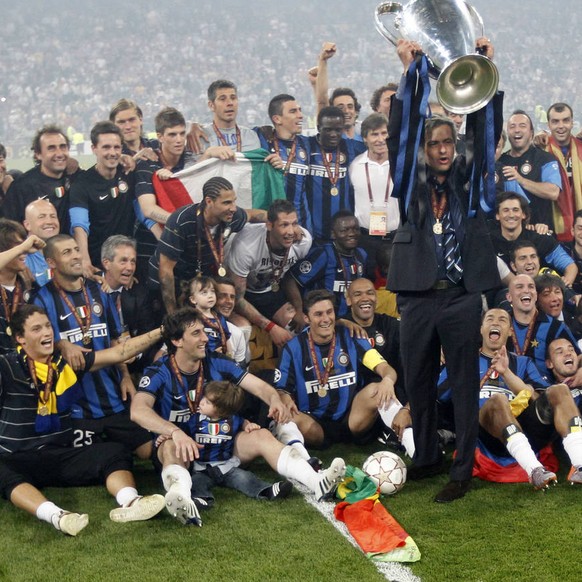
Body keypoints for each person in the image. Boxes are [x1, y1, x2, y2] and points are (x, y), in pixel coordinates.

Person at [386, 38, 502, 502]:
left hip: (458, 296)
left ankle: (461, 471)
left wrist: (485, 70)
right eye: (433, 143)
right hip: (416, 296)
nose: (440, 149)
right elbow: (403, 133)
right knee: (416, 379)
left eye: (446, 142)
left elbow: (484, 133)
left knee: (462, 379)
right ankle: (428, 456)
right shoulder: (409, 188)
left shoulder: (470, 185)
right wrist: (410, 75)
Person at [130, 308, 346, 525]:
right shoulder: (159, 371)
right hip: (184, 450)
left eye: (204, 331)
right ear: (177, 341)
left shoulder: (217, 362)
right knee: (169, 446)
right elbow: (137, 410)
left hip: (222, 444)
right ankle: (183, 499)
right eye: (196, 333)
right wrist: (174, 432)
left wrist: (274, 400)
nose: (205, 338)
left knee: (261, 435)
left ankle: (317, 482)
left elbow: (261, 387)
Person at [0, 304, 166, 536]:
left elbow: (120, 353)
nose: (46, 333)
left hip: (60, 453)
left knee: (115, 451)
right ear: (20, 338)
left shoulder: (64, 362)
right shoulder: (6, 366)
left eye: (48, 326)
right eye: (36, 329)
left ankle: (131, 502)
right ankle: (57, 516)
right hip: (18, 456)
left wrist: (162, 330)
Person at [33, 235, 152, 459]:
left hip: (113, 399)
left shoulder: (100, 291)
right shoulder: (41, 299)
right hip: (75, 408)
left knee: (148, 451)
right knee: (99, 460)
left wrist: (125, 376)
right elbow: (36, 348)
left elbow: (116, 339)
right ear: (51, 262)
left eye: (77, 249)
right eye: (67, 252)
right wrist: (60, 344)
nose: (76, 255)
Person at [441, 308, 582, 487]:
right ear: (481, 329)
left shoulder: (523, 363)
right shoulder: (463, 362)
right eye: (490, 319)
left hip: (526, 429)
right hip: (488, 436)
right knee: (499, 400)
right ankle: (534, 470)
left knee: (560, 390)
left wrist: (506, 373)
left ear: (509, 331)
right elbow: (436, 396)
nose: (495, 323)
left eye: (502, 320)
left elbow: (540, 398)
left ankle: (580, 465)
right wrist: (407, 410)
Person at [273, 290, 398, 448]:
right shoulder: (292, 348)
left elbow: (386, 369)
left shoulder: (351, 336)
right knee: (286, 415)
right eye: (318, 314)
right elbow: (280, 390)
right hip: (314, 424)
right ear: (306, 318)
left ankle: (408, 440)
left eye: (329, 312)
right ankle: (302, 460)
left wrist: (387, 380)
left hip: (352, 419)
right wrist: (284, 398)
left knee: (377, 389)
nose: (325, 319)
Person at [148, 177, 262, 313]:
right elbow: (166, 271)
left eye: (234, 201)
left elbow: (253, 215)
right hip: (167, 283)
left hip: (197, 281)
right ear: (209, 201)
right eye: (227, 203)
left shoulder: (231, 216)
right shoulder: (181, 221)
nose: (233, 208)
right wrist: (173, 314)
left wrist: (276, 220)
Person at [186, 380, 293, 509]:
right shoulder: (194, 420)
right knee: (195, 483)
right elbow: (181, 433)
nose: (201, 402)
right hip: (201, 468)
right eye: (204, 398)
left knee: (245, 478)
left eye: (207, 402)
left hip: (225, 466)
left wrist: (249, 426)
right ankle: (202, 499)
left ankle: (267, 490)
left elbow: (243, 422)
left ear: (221, 409)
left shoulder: (232, 420)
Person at [225, 199, 312, 348]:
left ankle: (291, 370)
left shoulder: (303, 242)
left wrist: (298, 309)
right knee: (242, 330)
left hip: (269, 290)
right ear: (270, 225)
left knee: (301, 329)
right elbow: (237, 299)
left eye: (294, 224)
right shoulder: (246, 246)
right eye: (284, 225)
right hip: (239, 294)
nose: (291, 232)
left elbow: (289, 277)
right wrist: (270, 327)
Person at [344, 278, 414, 457]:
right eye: (357, 294)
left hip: (391, 391)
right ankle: (409, 439)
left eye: (370, 293)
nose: (365, 298)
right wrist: (339, 322)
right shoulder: (341, 328)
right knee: (377, 386)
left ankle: (414, 431)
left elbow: (417, 337)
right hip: (356, 405)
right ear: (348, 299)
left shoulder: (390, 325)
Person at [69, 121, 137, 278]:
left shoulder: (129, 173)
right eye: (106, 147)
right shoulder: (82, 184)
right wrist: (84, 260)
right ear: (94, 149)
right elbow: (79, 225)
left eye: (116, 147)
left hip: (125, 265)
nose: (112, 152)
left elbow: (143, 213)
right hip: (96, 264)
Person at [286, 210, 367, 324]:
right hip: (322, 320)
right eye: (344, 230)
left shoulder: (361, 255)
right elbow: (290, 280)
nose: (351, 233)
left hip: (351, 321)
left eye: (355, 229)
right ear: (333, 234)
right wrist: (298, 311)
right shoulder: (323, 254)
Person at [0, 126, 79, 233]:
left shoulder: (77, 178)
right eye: (51, 148)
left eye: (63, 147)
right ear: (38, 154)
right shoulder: (22, 186)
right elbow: (10, 229)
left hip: (69, 247)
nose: (59, 153)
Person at [101, 235, 162, 373]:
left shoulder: (140, 293)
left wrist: (135, 354)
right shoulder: (90, 288)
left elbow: (147, 332)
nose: (129, 267)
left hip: (133, 364)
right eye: (123, 261)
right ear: (106, 263)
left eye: (133, 262)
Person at [349, 113, 399, 276]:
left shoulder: (400, 164)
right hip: (366, 240)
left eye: (384, 133)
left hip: (396, 239)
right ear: (364, 138)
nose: (380, 139)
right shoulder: (355, 166)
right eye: (374, 134)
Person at [304, 106, 365, 241]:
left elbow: (379, 146)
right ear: (318, 127)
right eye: (328, 129)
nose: (333, 134)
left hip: (344, 233)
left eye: (338, 130)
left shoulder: (352, 147)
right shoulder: (305, 145)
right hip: (313, 230)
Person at [489, 192, 576, 284]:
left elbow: (570, 266)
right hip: (500, 295)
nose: (511, 215)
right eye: (506, 210)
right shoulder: (488, 242)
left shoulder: (541, 239)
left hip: (540, 294)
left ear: (523, 215)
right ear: (497, 215)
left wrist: (565, 287)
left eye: (515, 210)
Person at [255, 94, 312, 230]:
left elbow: (328, 123)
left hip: (302, 225)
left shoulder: (308, 144)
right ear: (277, 119)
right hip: (271, 226)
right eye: (293, 111)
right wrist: (195, 128)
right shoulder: (260, 138)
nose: (300, 115)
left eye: (300, 110)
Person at [498, 110, 561, 232]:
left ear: (531, 133)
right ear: (508, 133)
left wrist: (520, 180)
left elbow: (553, 192)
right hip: (509, 233)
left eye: (522, 126)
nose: (517, 130)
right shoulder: (500, 162)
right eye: (512, 126)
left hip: (541, 230)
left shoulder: (545, 158)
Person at [505, 274, 580, 377]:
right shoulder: (501, 323)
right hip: (507, 388)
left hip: (545, 389)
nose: (526, 291)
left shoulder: (556, 327)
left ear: (535, 295)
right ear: (509, 297)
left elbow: (578, 356)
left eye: (531, 287)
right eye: (520, 287)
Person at [537, 102, 582, 242]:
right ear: (549, 125)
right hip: (550, 226)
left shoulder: (580, 147)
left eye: (566, 120)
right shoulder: (540, 149)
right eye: (555, 121)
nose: (561, 126)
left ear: (572, 123)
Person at [0, 220, 44, 352]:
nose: (25, 252)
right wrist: (21, 248)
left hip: (26, 365)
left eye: (25, 246)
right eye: (18, 247)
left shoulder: (30, 286)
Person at [313, 42, 362, 141]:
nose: (346, 111)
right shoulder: (332, 140)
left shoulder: (366, 138)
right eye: (340, 107)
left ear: (356, 112)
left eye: (350, 106)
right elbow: (322, 100)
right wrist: (323, 61)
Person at [200, 79, 260, 153]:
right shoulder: (200, 136)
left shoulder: (251, 136)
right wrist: (207, 155)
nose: (230, 103)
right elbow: (191, 164)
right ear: (211, 105)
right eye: (222, 99)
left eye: (233, 98)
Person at [23, 199, 59, 286]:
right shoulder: (20, 257)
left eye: (53, 216)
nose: (49, 221)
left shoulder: (68, 250)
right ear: (27, 225)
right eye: (41, 217)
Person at [214, 276, 249, 367]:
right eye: (222, 296)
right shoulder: (195, 330)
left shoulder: (237, 333)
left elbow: (241, 372)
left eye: (232, 297)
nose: (229, 301)